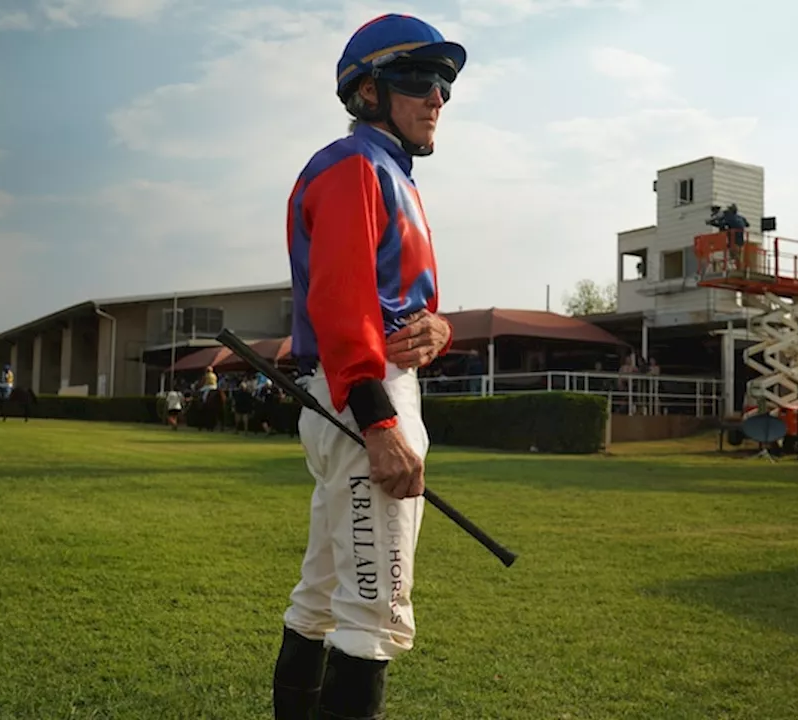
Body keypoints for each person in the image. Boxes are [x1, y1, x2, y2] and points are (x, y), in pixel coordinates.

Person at [271, 13, 462, 719]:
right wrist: (379, 423)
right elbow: (342, 301)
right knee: (373, 612)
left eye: (443, 82)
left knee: (322, 599)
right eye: (418, 78)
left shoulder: (390, 175)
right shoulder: (353, 165)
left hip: (358, 392)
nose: (436, 95)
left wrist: (436, 329)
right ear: (367, 93)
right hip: (363, 401)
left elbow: (403, 309)